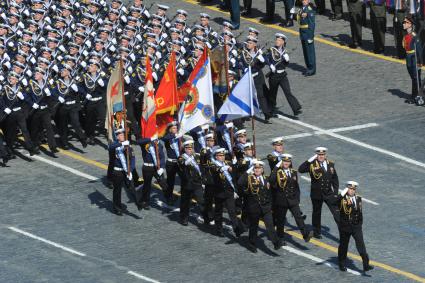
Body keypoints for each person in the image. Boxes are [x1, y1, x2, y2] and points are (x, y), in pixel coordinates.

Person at [238, 160, 282, 253]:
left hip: (266, 207)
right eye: (255, 168)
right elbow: (240, 182)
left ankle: (276, 242)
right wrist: (249, 170)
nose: (257, 170)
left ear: (262, 170)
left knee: (270, 225)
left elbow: (270, 194)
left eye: (259, 168)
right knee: (254, 227)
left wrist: (271, 206)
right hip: (254, 208)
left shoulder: (266, 179)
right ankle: (252, 243)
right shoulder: (249, 178)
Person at [269, 154, 313, 244]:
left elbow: (296, 187)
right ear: (281, 162)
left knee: (299, 217)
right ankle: (280, 238)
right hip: (281, 201)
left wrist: (297, 199)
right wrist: (276, 167)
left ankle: (305, 234)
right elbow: (271, 180)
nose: (286, 163)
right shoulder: (277, 172)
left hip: (293, 200)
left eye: (288, 161)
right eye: (284, 161)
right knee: (280, 220)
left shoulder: (293, 172)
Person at [298, 147, 340, 238]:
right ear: (316, 155)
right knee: (317, 213)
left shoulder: (331, 165)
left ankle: (343, 232)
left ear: (325, 155)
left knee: (337, 213)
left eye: (322, 155)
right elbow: (300, 169)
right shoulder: (312, 165)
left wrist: (335, 193)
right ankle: (317, 232)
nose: (321, 156)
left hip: (329, 193)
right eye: (319, 155)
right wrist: (310, 160)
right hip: (316, 194)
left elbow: (335, 179)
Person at [338, 181, 374, 273]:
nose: (352, 191)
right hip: (345, 227)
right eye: (350, 189)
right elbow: (333, 202)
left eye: (353, 189)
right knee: (343, 246)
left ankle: (366, 264)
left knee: (361, 244)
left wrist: (360, 224)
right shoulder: (342, 199)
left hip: (356, 227)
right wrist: (342, 194)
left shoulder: (358, 199)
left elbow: (360, 213)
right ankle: (342, 263)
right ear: (347, 189)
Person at [266, 33, 302, 117]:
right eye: (277, 40)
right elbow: (266, 58)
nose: (277, 41)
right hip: (274, 76)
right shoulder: (271, 50)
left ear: (283, 42)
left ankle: (296, 108)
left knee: (288, 92)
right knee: (272, 94)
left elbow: (285, 64)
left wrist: (287, 60)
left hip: (282, 75)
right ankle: (270, 111)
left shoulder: (285, 52)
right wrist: (270, 64)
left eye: (279, 40)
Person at [211, 147, 244, 237]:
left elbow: (236, 170)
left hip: (229, 191)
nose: (222, 157)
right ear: (216, 156)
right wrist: (224, 168)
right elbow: (217, 170)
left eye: (223, 155)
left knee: (232, 211)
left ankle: (236, 229)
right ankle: (219, 229)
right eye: (220, 155)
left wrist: (237, 160)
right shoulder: (213, 165)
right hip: (219, 192)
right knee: (219, 212)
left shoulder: (228, 163)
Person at [178, 140, 207, 226]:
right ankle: (184, 218)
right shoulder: (181, 158)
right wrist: (189, 159)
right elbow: (182, 164)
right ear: (185, 149)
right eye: (188, 148)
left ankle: (206, 217)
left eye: (191, 148)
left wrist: (204, 154)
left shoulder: (197, 156)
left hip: (197, 182)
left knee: (201, 200)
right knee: (185, 202)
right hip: (187, 184)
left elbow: (202, 165)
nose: (190, 150)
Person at [108, 128, 136, 216]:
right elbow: (111, 147)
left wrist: (130, 170)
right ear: (117, 137)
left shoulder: (127, 145)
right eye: (120, 135)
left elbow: (133, 158)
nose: (122, 136)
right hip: (117, 172)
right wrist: (121, 144)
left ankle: (138, 203)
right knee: (117, 190)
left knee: (131, 187)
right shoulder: (114, 145)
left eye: (123, 135)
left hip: (126, 171)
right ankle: (117, 208)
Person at [402, 15, 423, 104]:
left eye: (406, 22)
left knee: (416, 78)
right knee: (413, 78)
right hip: (408, 57)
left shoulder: (414, 36)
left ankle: (418, 96)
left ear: (410, 24)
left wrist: (420, 61)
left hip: (414, 57)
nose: (404, 24)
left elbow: (419, 49)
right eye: (404, 22)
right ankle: (415, 95)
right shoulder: (406, 35)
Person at [297, 0, 316, 76]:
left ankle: (312, 69)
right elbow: (300, 20)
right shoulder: (302, 9)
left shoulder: (309, 10)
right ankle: (308, 67)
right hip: (302, 33)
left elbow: (312, 24)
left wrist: (311, 36)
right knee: (305, 52)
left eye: (305, 0)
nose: (303, 1)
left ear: (309, 1)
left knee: (310, 52)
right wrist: (293, 15)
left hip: (307, 33)